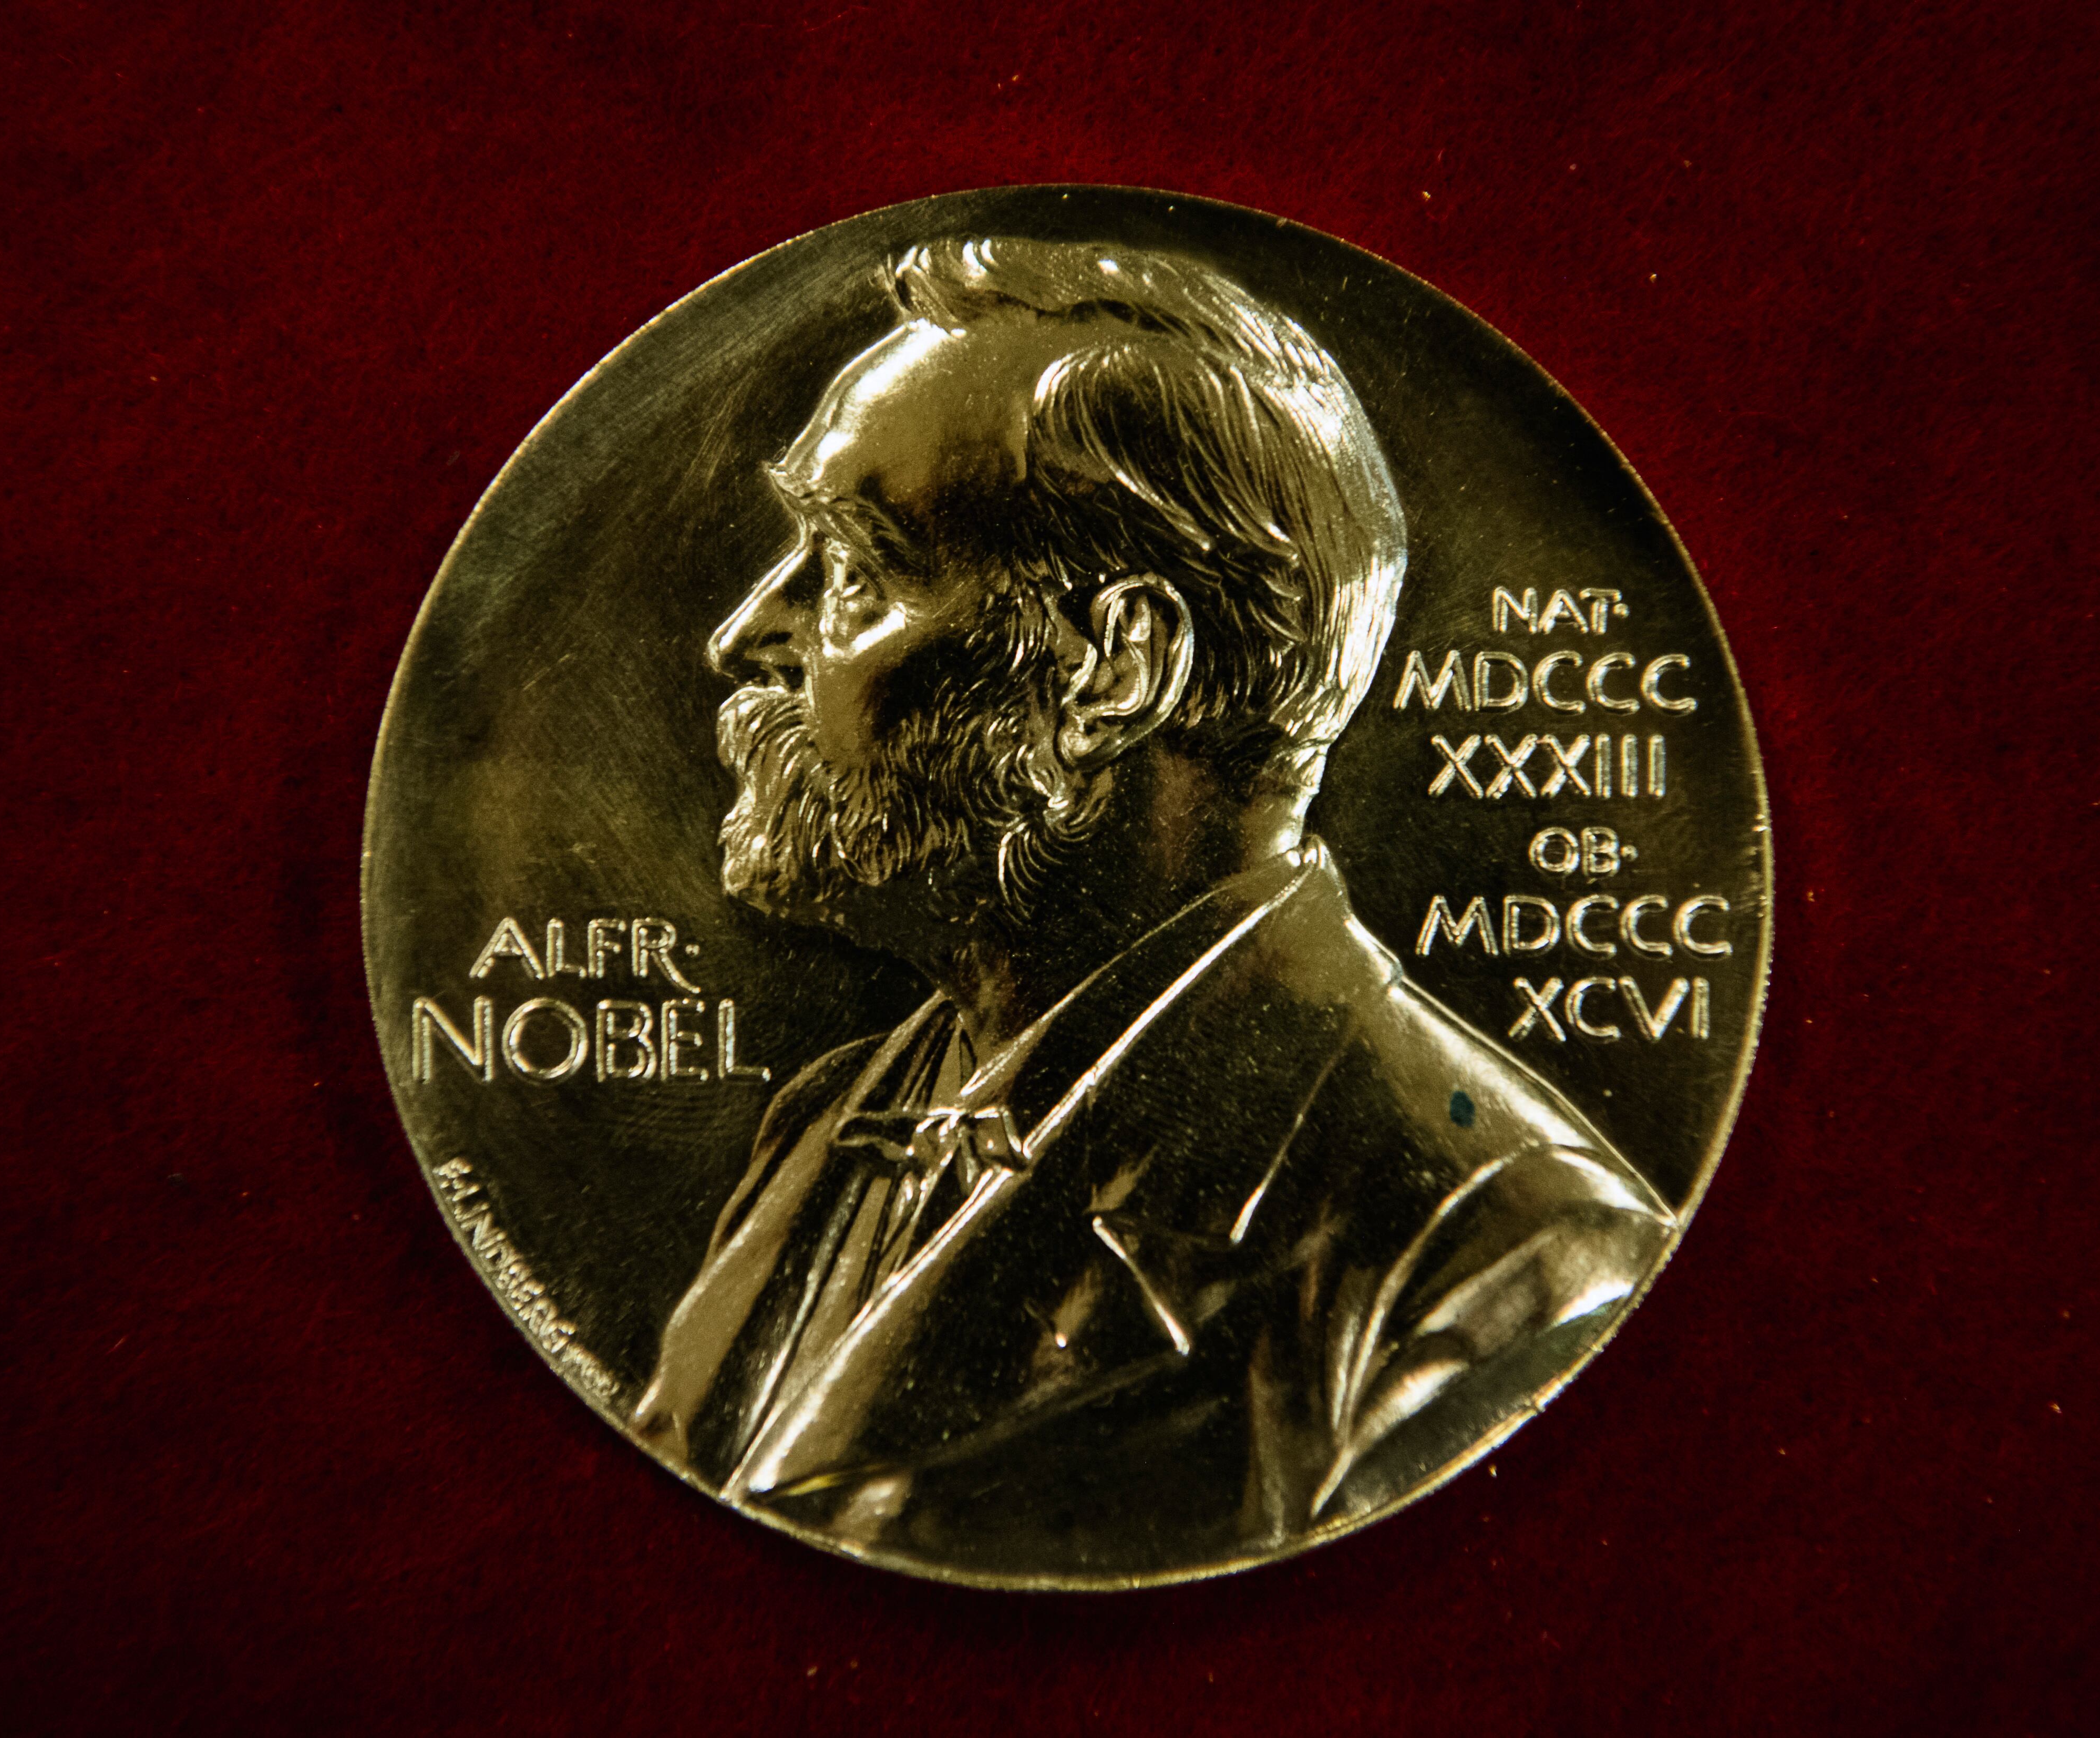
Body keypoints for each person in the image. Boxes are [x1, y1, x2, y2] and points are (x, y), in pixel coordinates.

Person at [631, 236, 1671, 1577]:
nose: (741, 636)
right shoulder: (826, 1131)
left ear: (1118, 665)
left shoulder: (1510, 1260)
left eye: (853, 568)